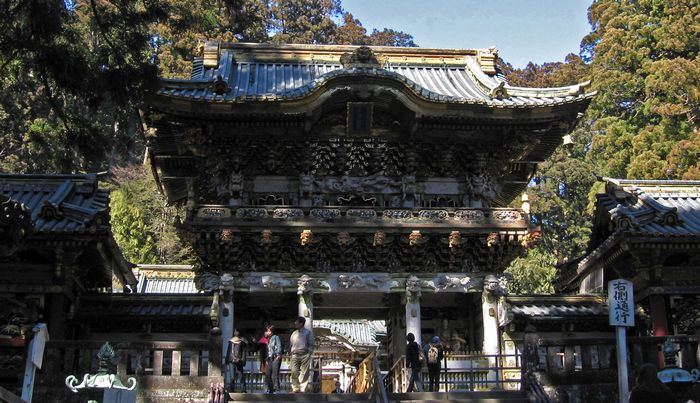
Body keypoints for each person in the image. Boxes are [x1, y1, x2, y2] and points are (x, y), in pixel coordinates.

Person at [290, 316, 314, 393]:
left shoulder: (308, 332)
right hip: (295, 354)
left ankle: (303, 388)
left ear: (301, 323)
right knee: (294, 372)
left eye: (296, 322)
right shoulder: (294, 333)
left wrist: (309, 353)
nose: (295, 323)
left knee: (304, 372)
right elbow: (291, 343)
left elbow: (311, 344)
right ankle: (295, 388)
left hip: (304, 354)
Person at [265, 324, 282, 394]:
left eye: (268, 331)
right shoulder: (268, 339)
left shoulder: (276, 337)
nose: (267, 332)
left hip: (275, 357)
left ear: (272, 331)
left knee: (275, 374)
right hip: (270, 358)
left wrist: (278, 354)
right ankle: (270, 388)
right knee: (267, 375)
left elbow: (279, 346)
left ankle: (276, 389)